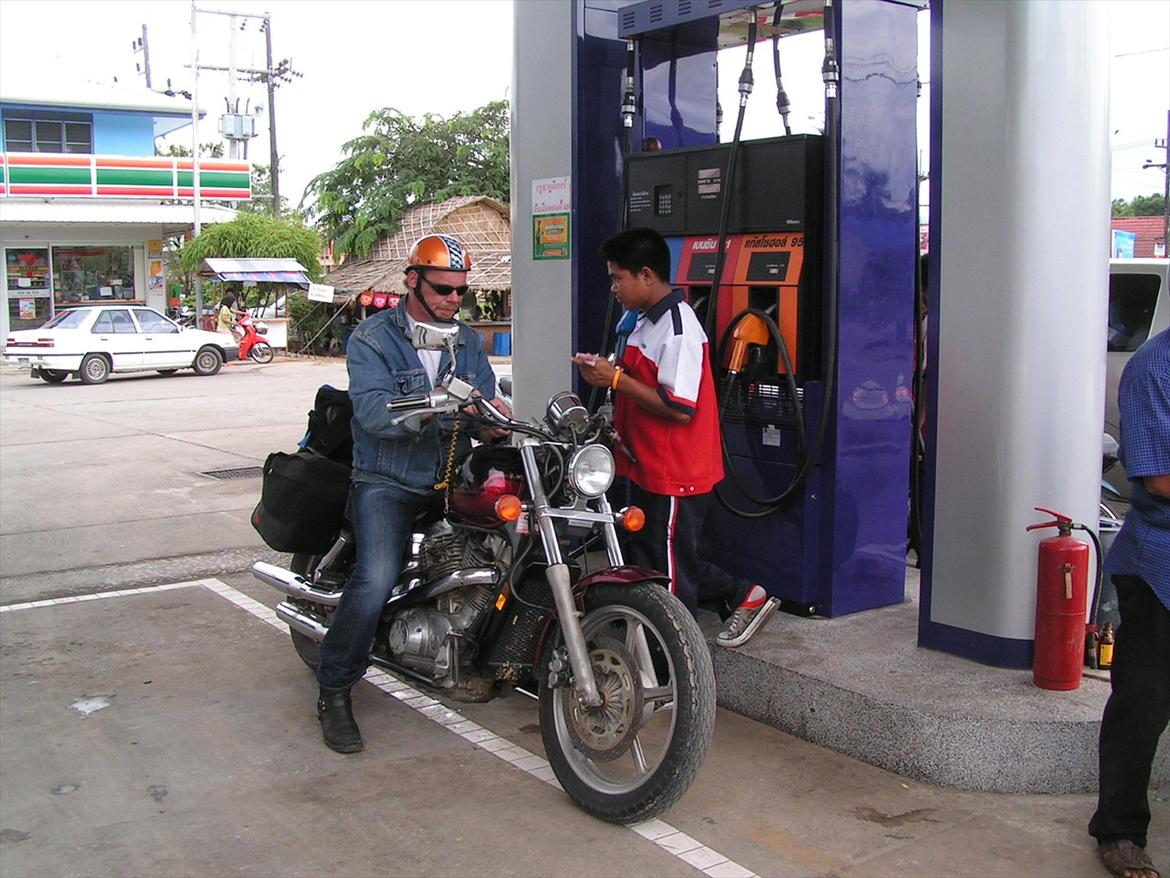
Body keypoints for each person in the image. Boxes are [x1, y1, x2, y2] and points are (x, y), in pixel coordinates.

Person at [314, 234, 511, 754]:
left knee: (512, 542)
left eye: (460, 292)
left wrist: (495, 423)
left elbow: (486, 403)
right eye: (443, 289)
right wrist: (444, 403)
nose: (453, 300)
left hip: (450, 476)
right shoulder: (372, 338)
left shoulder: (467, 342)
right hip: (387, 480)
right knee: (376, 577)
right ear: (412, 281)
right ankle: (334, 690)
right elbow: (375, 414)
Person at [573, 227, 779, 648]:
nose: (614, 288)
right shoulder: (644, 322)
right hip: (645, 462)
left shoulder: (679, 329)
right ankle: (738, 596)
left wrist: (614, 378)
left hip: (675, 470)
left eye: (618, 278)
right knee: (653, 555)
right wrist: (608, 369)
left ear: (647, 275)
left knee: (667, 568)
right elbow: (639, 377)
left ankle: (673, 665)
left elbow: (679, 408)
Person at [1088, 327, 1169, 878]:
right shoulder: (1152, 368)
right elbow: (1158, 477)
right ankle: (1118, 829)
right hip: (1160, 565)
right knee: (1142, 704)